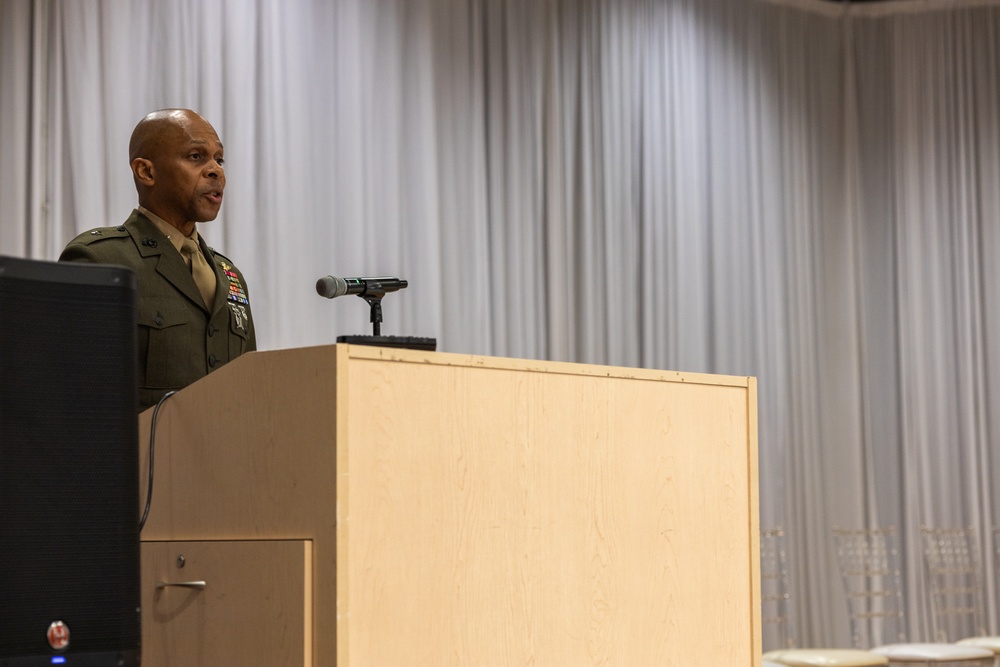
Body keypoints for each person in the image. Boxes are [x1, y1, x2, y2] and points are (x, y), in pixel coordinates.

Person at [60, 108, 256, 411]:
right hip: (142, 456)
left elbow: (249, 386)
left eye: (219, 158)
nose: (215, 170)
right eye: (195, 156)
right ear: (146, 172)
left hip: (225, 455)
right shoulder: (101, 259)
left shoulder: (229, 275)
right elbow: (73, 391)